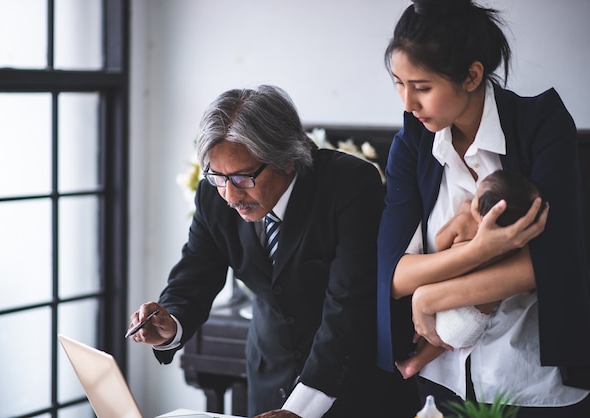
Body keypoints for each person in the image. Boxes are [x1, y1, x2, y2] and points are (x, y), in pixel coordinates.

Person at [128, 85, 419, 418]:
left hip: (352, 390)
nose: (230, 195)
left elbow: (350, 305)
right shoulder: (215, 196)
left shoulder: (349, 185)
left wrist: (299, 408)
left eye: (242, 177)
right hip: (270, 383)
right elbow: (196, 271)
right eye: (218, 176)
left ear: (287, 161)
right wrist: (171, 322)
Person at [376, 0, 590, 416]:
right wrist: (482, 250)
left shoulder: (541, 126)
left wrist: (429, 298)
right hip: (444, 385)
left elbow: (550, 265)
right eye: (398, 83)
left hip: (534, 384)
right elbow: (395, 275)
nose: (407, 103)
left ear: (472, 75)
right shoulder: (413, 144)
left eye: (421, 87)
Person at [395, 170, 544, 379]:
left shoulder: (465, 223)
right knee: (446, 340)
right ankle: (415, 363)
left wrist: (463, 215)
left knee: (437, 335)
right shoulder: (515, 244)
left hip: (445, 304)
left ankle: (414, 362)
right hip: (475, 320)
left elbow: (440, 242)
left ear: (481, 212)